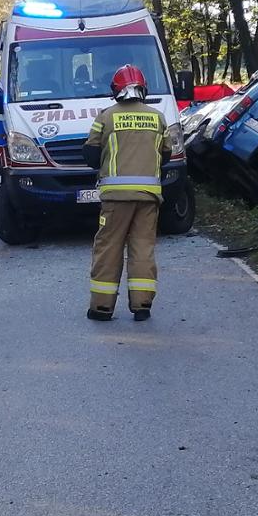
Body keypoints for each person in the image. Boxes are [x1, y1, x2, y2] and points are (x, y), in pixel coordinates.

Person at [82, 64, 171, 322]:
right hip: (148, 196)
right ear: (143, 88)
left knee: (108, 247)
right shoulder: (158, 118)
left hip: (115, 198)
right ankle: (142, 305)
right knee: (142, 247)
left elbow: (90, 155)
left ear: (116, 90)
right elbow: (166, 154)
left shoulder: (106, 117)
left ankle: (101, 307)